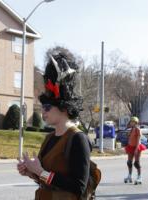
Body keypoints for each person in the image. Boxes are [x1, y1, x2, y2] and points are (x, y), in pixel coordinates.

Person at [17, 49, 92, 200]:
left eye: (48, 107)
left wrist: (40, 172)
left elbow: (79, 187)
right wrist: (31, 172)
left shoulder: (78, 139)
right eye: (43, 107)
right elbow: (45, 178)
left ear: (64, 108)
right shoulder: (49, 138)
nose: (43, 112)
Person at [124, 116, 147, 185]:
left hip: (136, 147)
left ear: (136, 122)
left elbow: (138, 140)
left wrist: (136, 149)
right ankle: (129, 176)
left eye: (132, 122)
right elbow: (130, 138)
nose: (131, 123)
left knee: (136, 163)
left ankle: (139, 177)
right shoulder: (131, 129)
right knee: (129, 162)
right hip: (130, 147)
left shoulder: (137, 129)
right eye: (131, 121)